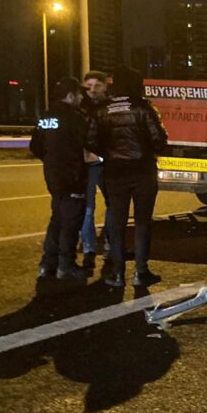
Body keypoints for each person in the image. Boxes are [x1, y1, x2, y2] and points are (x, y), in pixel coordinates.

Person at [89, 65, 168, 288]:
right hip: (143, 172)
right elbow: (159, 139)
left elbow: (91, 140)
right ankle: (141, 272)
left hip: (114, 173)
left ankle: (117, 273)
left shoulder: (102, 110)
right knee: (142, 222)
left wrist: (109, 154)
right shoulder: (143, 107)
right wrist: (148, 151)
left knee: (117, 221)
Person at [29, 78, 90, 282]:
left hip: (53, 176)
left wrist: (51, 160)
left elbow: (35, 146)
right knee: (71, 222)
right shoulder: (75, 117)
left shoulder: (46, 116)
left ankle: (47, 264)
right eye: (79, 94)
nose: (81, 98)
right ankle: (66, 265)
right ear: (70, 95)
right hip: (73, 177)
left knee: (57, 219)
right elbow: (88, 143)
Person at [80, 70, 111, 270]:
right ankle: (89, 250)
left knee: (113, 205)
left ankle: (109, 244)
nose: (92, 90)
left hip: (108, 162)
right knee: (87, 207)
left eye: (97, 86)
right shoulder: (79, 108)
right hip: (88, 163)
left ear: (105, 86)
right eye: (88, 86)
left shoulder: (111, 107)